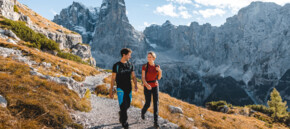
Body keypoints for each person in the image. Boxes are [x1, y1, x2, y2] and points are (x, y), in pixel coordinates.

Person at [109, 48, 138, 129]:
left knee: (128, 104)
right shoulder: (116, 65)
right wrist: (111, 90)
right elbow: (113, 78)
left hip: (129, 88)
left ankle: (121, 113)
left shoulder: (130, 65)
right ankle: (124, 122)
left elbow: (133, 76)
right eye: (129, 55)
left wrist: (136, 85)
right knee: (123, 105)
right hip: (120, 88)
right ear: (124, 55)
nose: (130, 56)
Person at [141, 51, 162, 128]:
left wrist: (159, 70)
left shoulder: (157, 66)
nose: (148, 58)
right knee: (148, 103)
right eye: (148, 57)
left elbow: (159, 78)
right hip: (147, 86)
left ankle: (156, 122)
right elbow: (143, 78)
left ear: (153, 58)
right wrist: (146, 85)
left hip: (155, 86)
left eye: (150, 57)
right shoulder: (145, 66)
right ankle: (143, 112)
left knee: (156, 103)